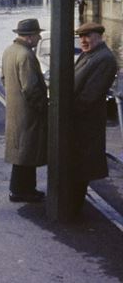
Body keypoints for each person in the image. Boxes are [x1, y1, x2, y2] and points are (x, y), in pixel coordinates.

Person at [71, 22, 117, 216]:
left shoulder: (105, 59)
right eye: (81, 37)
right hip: (79, 121)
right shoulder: (89, 54)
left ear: (99, 36)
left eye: (88, 36)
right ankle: (72, 203)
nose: (83, 40)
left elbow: (90, 95)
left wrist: (68, 113)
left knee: (82, 165)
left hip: (86, 122)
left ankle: (74, 208)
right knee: (76, 163)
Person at [1, 18, 48, 203]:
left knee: (20, 151)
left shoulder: (9, 51)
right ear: (30, 37)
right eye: (37, 34)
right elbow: (31, 88)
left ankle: (20, 189)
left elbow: (4, 78)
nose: (38, 38)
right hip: (28, 113)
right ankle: (24, 191)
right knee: (29, 152)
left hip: (14, 109)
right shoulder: (26, 55)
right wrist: (42, 107)